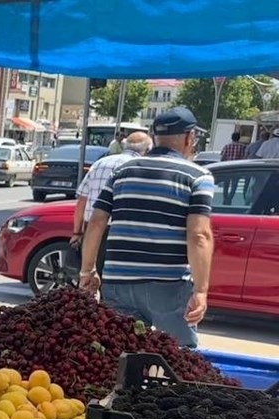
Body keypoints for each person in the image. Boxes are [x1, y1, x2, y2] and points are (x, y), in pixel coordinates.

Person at [79, 107, 214, 348]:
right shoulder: (197, 176)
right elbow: (199, 235)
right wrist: (201, 290)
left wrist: (87, 271)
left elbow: (97, 221)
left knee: (119, 354)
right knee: (178, 358)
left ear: (155, 137)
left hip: (118, 283)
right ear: (189, 137)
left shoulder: (122, 172)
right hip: (169, 286)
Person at [72, 131, 153, 256]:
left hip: (92, 231)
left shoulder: (100, 163)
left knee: (88, 272)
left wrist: (77, 233)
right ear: (148, 150)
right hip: (123, 234)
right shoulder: (143, 168)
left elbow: (82, 201)